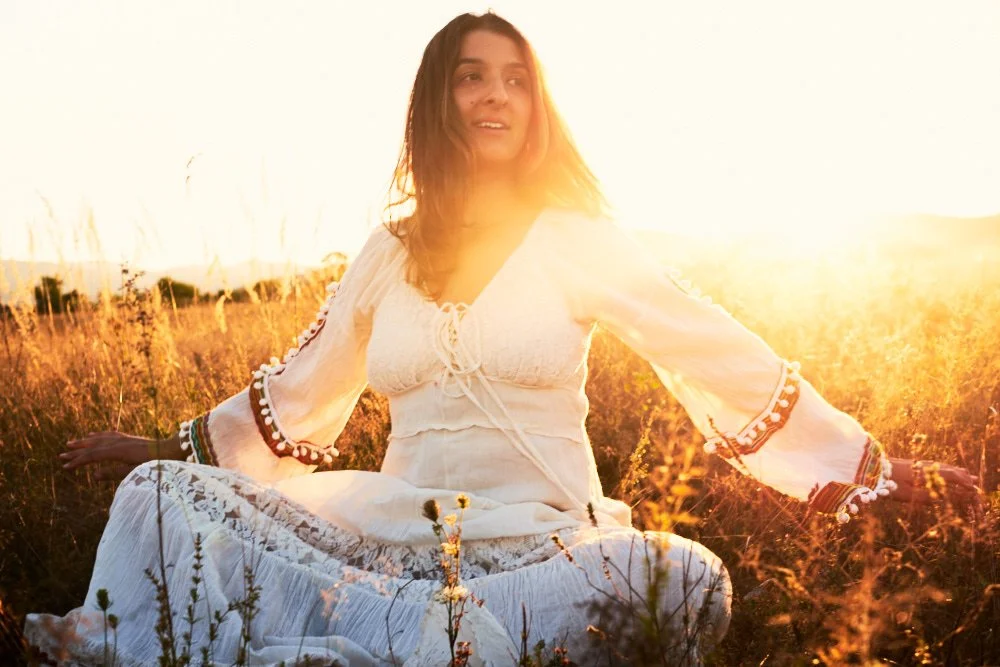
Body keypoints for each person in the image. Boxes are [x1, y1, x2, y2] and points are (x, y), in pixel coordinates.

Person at [27, 11, 980, 666]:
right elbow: (304, 393)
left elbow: (715, 351)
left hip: (543, 545)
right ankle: (422, 632)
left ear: (537, 105)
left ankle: (399, 637)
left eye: (516, 79)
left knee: (684, 576)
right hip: (388, 536)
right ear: (437, 101)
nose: (495, 95)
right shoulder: (385, 250)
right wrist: (162, 449)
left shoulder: (577, 238)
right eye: (471, 76)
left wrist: (878, 470)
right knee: (157, 496)